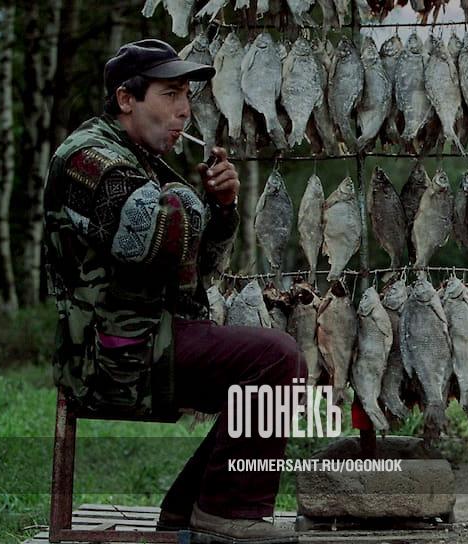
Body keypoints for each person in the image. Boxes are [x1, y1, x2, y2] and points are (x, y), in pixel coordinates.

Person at [42, 38, 305, 541]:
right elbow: (152, 233)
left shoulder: (138, 160)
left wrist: (221, 207)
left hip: (149, 340)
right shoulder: (88, 158)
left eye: (187, 95)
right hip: (115, 355)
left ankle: (189, 509)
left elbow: (200, 267)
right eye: (170, 94)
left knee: (275, 367)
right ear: (126, 99)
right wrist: (188, 200)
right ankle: (227, 511)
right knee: (276, 359)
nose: (185, 110)